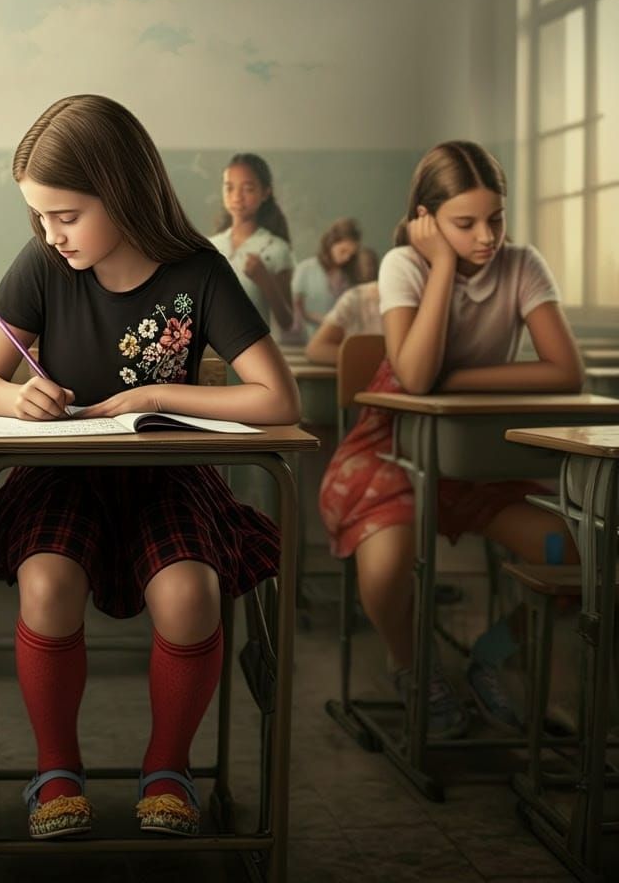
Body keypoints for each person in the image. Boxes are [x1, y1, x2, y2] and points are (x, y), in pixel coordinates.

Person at [0, 95, 299, 840]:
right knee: (46, 581)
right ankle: (56, 770)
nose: (51, 233)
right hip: (63, 475)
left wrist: (148, 392)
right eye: (40, 218)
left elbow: (279, 398)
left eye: (66, 215)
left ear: (121, 189)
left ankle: (167, 767)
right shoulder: (43, 265)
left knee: (190, 593)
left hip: (168, 476)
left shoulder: (199, 273)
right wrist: (19, 398)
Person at [318, 141, 583, 736]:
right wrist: (439, 264)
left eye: (496, 219)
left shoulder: (523, 264)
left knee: (569, 552)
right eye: (465, 224)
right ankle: (414, 667)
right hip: (388, 450)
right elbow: (411, 376)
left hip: (472, 455)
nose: (486, 237)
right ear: (425, 219)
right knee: (386, 569)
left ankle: (492, 656)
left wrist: (456, 379)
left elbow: (565, 371)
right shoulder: (403, 265)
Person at [208, 153, 295, 334]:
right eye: (229, 188)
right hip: (213, 353)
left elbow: (287, 321)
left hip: (253, 355)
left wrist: (265, 280)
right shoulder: (211, 247)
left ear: (265, 193)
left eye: (248, 189)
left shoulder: (276, 248)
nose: (237, 197)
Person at [290, 217, 362, 342]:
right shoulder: (305, 269)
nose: (346, 258)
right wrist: (326, 321)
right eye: (343, 251)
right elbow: (296, 308)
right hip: (306, 339)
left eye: (351, 254)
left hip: (338, 340)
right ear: (330, 244)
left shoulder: (348, 276)